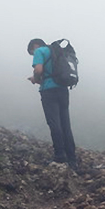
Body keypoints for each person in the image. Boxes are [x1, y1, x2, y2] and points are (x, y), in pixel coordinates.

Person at [27, 38, 77, 170]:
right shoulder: (56, 52)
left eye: (32, 52)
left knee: (54, 123)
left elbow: (38, 70)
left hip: (49, 92)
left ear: (34, 46)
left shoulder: (40, 51)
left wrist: (35, 79)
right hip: (63, 90)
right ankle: (72, 159)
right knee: (65, 124)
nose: (33, 54)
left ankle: (59, 156)